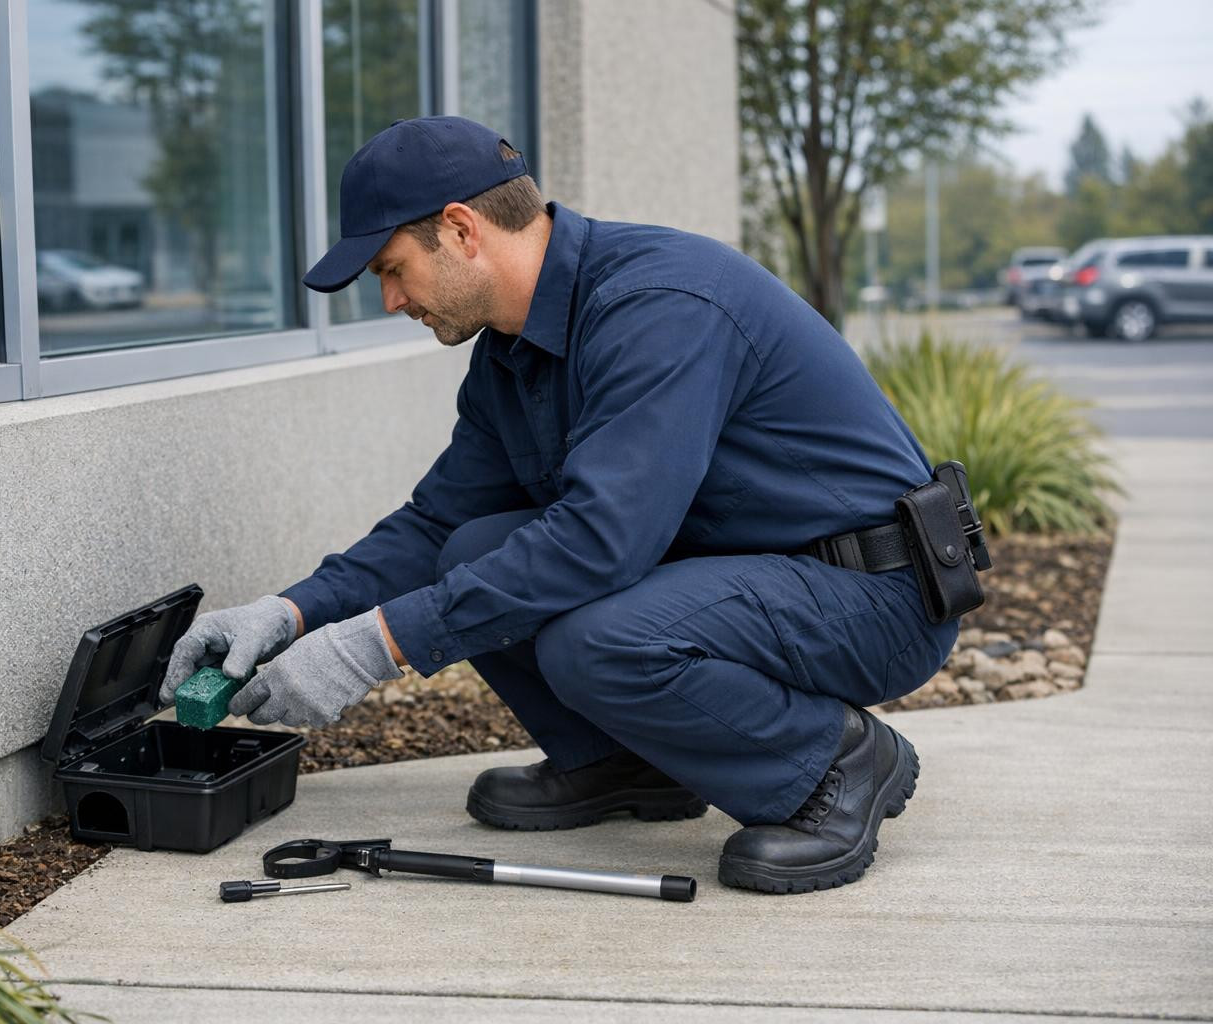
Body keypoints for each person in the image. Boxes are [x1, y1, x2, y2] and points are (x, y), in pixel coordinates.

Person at [159, 116, 960, 894]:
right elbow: (437, 522)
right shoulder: (513, 351)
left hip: (867, 593)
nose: (392, 302)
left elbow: (600, 544)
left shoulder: (661, 306)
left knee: (599, 638)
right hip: (750, 572)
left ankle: (833, 763)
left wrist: (375, 646)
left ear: (462, 229)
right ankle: (622, 762)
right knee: (470, 549)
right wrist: (293, 612)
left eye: (392, 269)